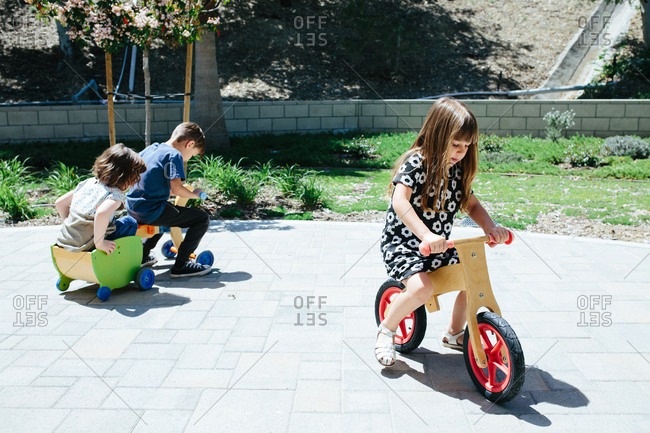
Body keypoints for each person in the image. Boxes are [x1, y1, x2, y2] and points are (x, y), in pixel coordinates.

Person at [375, 97, 512, 367]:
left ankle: (453, 333)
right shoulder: (415, 164)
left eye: (466, 146)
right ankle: (387, 329)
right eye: (455, 144)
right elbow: (400, 201)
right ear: (438, 135)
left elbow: (471, 204)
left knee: (471, 277)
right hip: (404, 245)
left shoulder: (457, 170)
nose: (460, 152)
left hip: (437, 246)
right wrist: (425, 235)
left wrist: (491, 228)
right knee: (421, 289)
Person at [127, 122, 211, 278]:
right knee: (202, 219)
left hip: (132, 207)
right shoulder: (174, 155)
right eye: (192, 155)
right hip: (151, 210)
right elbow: (177, 189)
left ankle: (142, 256)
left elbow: (162, 185)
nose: (187, 160)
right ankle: (181, 265)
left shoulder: (151, 149)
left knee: (166, 214)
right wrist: (196, 194)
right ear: (190, 144)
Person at [55, 143, 147, 254]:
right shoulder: (115, 195)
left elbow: (60, 203)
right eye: (133, 180)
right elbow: (101, 214)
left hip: (65, 240)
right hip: (87, 244)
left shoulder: (88, 183)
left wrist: (68, 225)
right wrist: (100, 243)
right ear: (125, 177)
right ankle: (117, 256)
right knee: (130, 222)